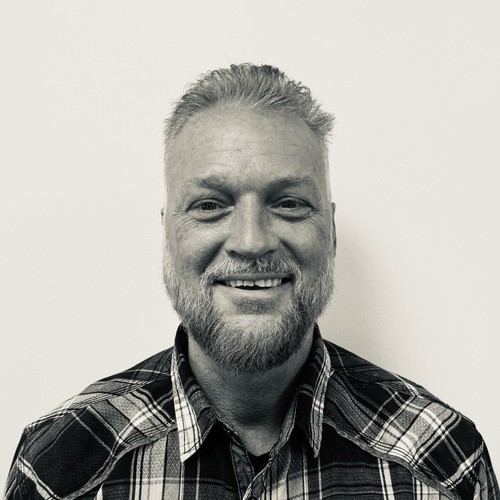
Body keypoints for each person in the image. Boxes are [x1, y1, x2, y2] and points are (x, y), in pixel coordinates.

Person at [4, 64, 498, 500]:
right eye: (209, 205)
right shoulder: (62, 468)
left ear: (330, 232)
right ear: (167, 233)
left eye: (288, 203)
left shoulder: (443, 465)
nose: (251, 241)